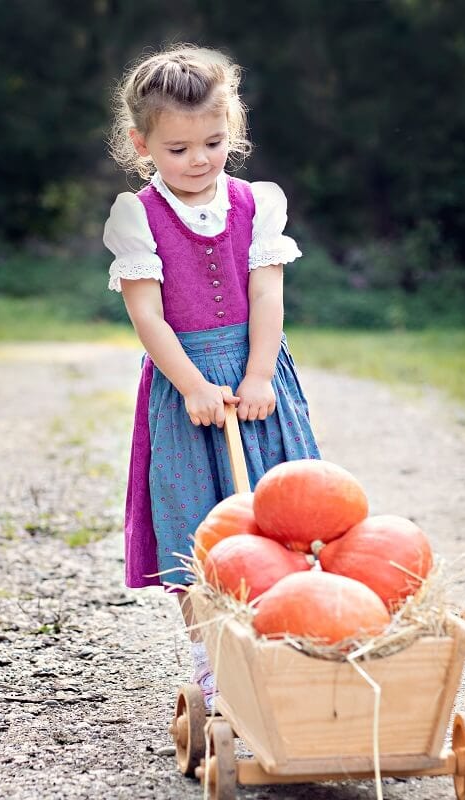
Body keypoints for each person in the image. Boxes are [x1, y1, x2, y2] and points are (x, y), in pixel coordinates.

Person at [102, 44, 322, 710]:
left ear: (235, 131)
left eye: (213, 142)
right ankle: (213, 663)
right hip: (185, 386)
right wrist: (194, 385)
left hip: (257, 380)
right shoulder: (136, 216)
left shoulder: (258, 203)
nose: (198, 160)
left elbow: (266, 298)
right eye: (177, 149)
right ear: (142, 144)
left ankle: (298, 640)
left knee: (288, 517)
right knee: (199, 529)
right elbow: (147, 316)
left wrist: (260, 376)